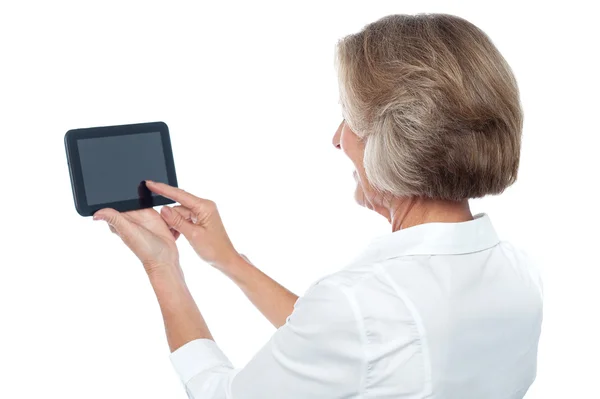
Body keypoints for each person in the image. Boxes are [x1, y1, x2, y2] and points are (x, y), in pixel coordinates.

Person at [94, 13, 543, 398]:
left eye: (349, 119)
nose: (336, 138)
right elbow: (352, 344)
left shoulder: (362, 301)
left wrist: (162, 266)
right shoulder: (520, 274)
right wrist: (230, 261)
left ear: (393, 140)